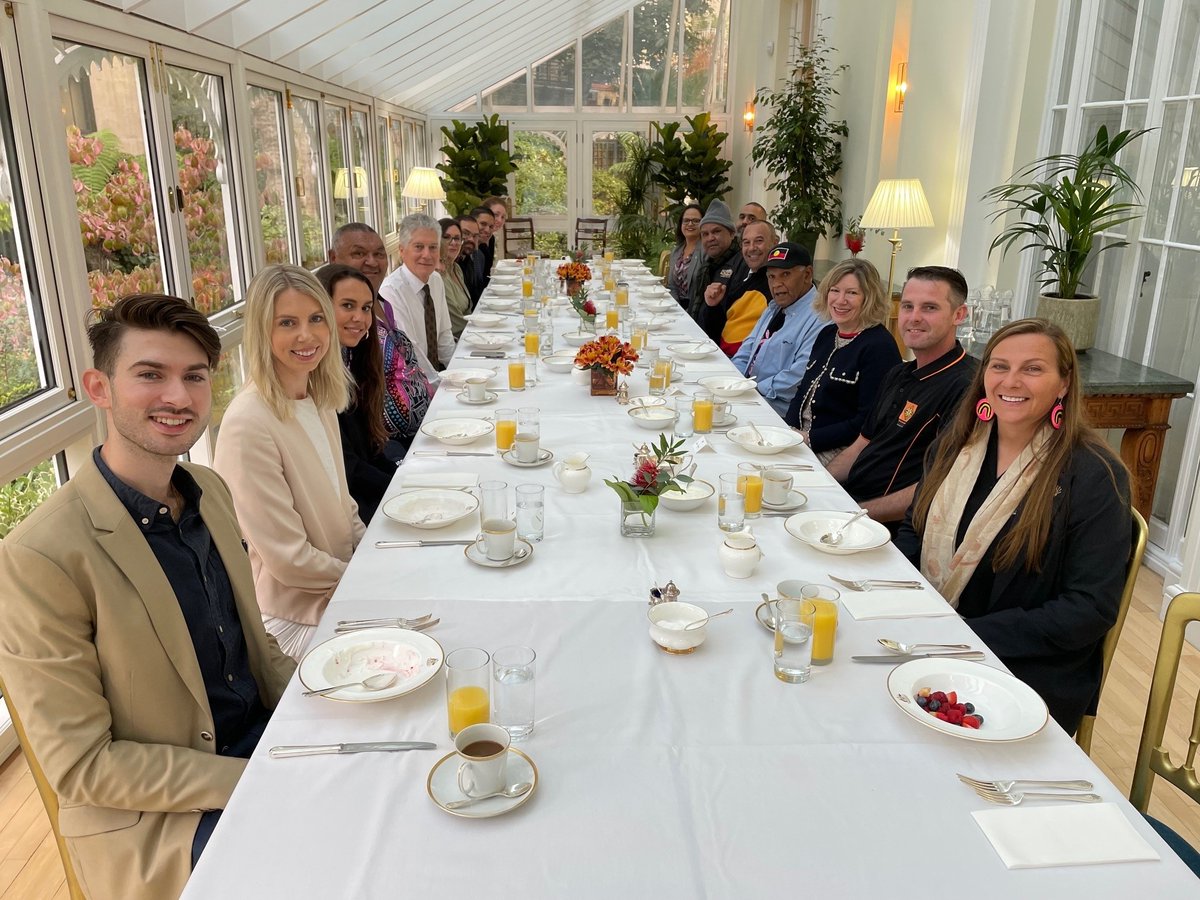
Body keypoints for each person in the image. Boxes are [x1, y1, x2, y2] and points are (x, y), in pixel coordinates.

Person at [0, 294, 294, 900]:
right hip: (164, 821)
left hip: (264, 744)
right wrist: (258, 780)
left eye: (194, 377)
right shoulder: (40, 556)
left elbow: (249, 646)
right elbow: (85, 766)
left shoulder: (208, 489)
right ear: (97, 388)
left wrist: (332, 697)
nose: (178, 397)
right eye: (150, 375)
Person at [895, 318, 1132, 733]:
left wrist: (963, 635)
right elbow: (915, 528)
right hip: (932, 634)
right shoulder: (957, 444)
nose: (1012, 381)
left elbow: (1088, 609)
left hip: (1022, 665)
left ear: (1063, 384)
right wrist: (901, 602)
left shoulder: (1095, 476)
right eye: (999, 366)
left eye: (1033, 369)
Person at [214, 265, 363, 660]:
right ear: (262, 332)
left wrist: (376, 551)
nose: (306, 335)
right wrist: (369, 576)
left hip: (340, 584)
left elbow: (343, 502)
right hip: (295, 617)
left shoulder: (317, 396)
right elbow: (289, 560)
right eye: (287, 323)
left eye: (316, 319)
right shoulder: (248, 423)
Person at [826, 266, 977, 525]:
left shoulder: (968, 387)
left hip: (888, 528)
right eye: (908, 306)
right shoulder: (898, 373)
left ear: (959, 314)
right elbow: (862, 444)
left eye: (929, 308)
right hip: (851, 503)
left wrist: (853, 515)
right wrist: (818, 484)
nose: (914, 317)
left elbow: (936, 487)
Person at [784, 259, 901, 464]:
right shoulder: (827, 334)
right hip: (801, 438)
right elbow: (802, 391)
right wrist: (786, 431)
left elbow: (867, 421)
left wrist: (809, 438)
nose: (840, 300)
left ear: (869, 298)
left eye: (852, 293)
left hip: (839, 450)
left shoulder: (879, 346)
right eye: (835, 290)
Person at [317, 265, 394, 524]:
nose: (360, 318)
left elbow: (369, 447)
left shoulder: (351, 358)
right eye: (348, 306)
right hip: (348, 510)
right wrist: (399, 487)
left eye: (366, 308)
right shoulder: (313, 376)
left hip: (367, 490)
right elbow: (348, 467)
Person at [730, 242, 825, 415]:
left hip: (777, 410)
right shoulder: (774, 307)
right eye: (771, 277)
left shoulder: (821, 317)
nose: (776, 284)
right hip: (748, 396)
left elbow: (799, 377)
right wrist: (731, 381)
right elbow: (747, 349)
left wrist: (750, 389)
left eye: (785, 275)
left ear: (807, 274)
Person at [379, 213, 455, 377]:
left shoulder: (435, 280)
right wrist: (440, 388)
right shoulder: (391, 292)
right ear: (402, 250)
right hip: (411, 382)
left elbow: (444, 337)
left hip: (438, 375)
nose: (427, 255)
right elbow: (411, 354)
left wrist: (459, 373)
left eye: (433, 247)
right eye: (419, 247)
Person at [698, 219, 774, 355]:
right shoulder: (742, 275)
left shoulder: (774, 284)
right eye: (746, 243)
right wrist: (713, 306)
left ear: (774, 243)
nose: (751, 248)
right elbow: (719, 330)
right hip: (720, 354)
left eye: (759, 241)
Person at [687, 199, 745, 320]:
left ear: (732, 233)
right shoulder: (706, 267)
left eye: (716, 231)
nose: (710, 238)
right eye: (705, 234)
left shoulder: (743, 264)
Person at [320, 222, 389, 293]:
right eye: (359, 253)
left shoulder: (388, 301)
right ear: (333, 258)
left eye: (378, 254)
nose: (372, 263)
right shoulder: (319, 303)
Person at [439, 217, 472, 338]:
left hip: (468, 333)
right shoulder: (438, 276)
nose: (453, 243)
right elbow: (456, 324)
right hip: (456, 339)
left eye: (457, 238)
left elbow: (468, 311)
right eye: (447, 237)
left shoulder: (456, 268)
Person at [666, 203, 703, 307]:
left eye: (695, 221)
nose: (690, 224)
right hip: (676, 308)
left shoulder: (706, 251)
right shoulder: (676, 251)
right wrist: (676, 308)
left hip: (696, 309)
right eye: (686, 220)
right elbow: (671, 286)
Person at [457, 213, 485, 304]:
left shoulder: (468, 260)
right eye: (465, 233)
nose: (471, 239)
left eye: (475, 236)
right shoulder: (446, 266)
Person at [471, 205, 497, 289]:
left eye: (491, 227)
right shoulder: (461, 254)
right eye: (483, 224)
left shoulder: (480, 254)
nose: (487, 230)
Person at [482, 195, 508, 260]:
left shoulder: (491, 239)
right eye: (496, 215)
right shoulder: (478, 239)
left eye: (503, 217)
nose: (500, 220)